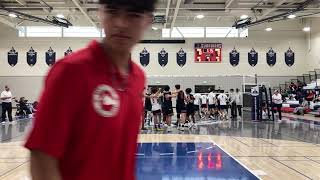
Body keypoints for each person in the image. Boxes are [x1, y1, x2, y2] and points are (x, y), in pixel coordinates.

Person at [24, 0, 157, 180]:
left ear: (148, 20)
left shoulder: (138, 78)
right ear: (100, 13)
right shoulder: (71, 71)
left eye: (133, 15)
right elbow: (42, 156)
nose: (120, 23)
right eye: (112, 11)